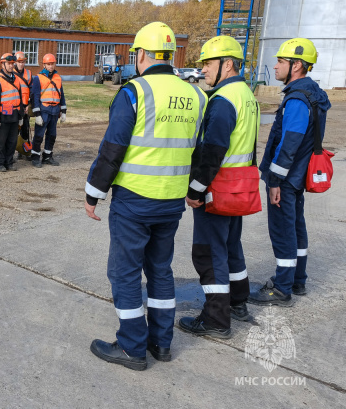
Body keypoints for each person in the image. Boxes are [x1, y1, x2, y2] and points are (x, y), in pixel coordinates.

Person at [84, 22, 207, 370]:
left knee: (124, 274)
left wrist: (94, 192)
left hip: (135, 201)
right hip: (171, 202)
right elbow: (200, 151)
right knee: (160, 271)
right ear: (169, 56)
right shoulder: (197, 95)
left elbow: (113, 148)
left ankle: (132, 347)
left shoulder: (135, 92)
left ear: (141, 55)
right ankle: (161, 343)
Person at [178, 35, 259, 339]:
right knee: (230, 247)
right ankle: (238, 302)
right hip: (238, 187)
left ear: (227, 64)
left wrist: (196, 190)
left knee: (209, 254)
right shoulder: (245, 94)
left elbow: (212, 150)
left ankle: (216, 318)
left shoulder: (223, 100)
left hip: (218, 188)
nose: (204, 70)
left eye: (208, 63)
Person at [249, 38, 331, 306]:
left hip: (286, 179)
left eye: (280, 61)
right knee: (296, 226)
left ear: (297, 65)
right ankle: (298, 279)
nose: (274, 66)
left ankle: (282, 288)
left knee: (283, 230)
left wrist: (274, 180)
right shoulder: (313, 94)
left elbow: (289, 143)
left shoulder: (296, 99)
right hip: (297, 177)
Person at [0, 54, 25, 172]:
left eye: (12, 63)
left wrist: (21, 115)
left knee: (12, 141)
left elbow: (19, 97)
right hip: (2, 116)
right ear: (3, 64)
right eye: (8, 63)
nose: (11, 65)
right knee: (0, 142)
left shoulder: (17, 79)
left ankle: (9, 162)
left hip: (14, 115)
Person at [30, 53, 67, 168]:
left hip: (55, 111)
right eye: (48, 64)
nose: (51, 66)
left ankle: (47, 156)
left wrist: (64, 111)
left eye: (52, 64)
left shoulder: (58, 78)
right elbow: (34, 97)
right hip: (44, 110)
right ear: (44, 65)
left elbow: (61, 95)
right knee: (39, 135)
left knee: (52, 135)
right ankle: (35, 157)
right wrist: (37, 114)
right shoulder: (38, 78)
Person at [13, 51, 33, 160]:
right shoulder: (10, 73)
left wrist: (28, 105)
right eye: (19, 62)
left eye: (23, 62)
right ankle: (12, 151)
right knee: (14, 131)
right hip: (15, 107)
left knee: (25, 130)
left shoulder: (29, 74)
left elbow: (32, 90)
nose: (21, 64)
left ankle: (24, 151)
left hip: (25, 107)